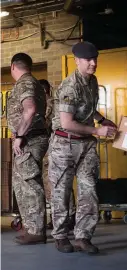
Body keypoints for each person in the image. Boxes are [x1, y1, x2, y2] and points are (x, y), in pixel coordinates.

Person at [48, 41, 117, 254]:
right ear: (77, 61)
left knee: (89, 190)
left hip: (85, 146)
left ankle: (83, 236)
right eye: (88, 60)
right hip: (64, 144)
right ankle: (60, 236)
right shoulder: (70, 86)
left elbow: (89, 108)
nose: (93, 63)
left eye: (95, 59)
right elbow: (67, 122)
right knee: (62, 192)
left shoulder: (92, 81)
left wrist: (102, 119)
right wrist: (97, 131)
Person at [7, 53, 49, 244]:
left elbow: (30, 109)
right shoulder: (34, 83)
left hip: (30, 140)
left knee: (30, 184)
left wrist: (21, 136)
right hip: (31, 139)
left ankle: (36, 231)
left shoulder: (25, 83)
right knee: (23, 184)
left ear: (13, 66)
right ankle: (31, 228)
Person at [39, 79, 76, 230]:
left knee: (53, 182)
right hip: (60, 145)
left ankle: (62, 218)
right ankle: (69, 215)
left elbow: (44, 124)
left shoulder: (47, 104)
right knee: (63, 181)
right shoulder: (56, 102)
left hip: (51, 146)